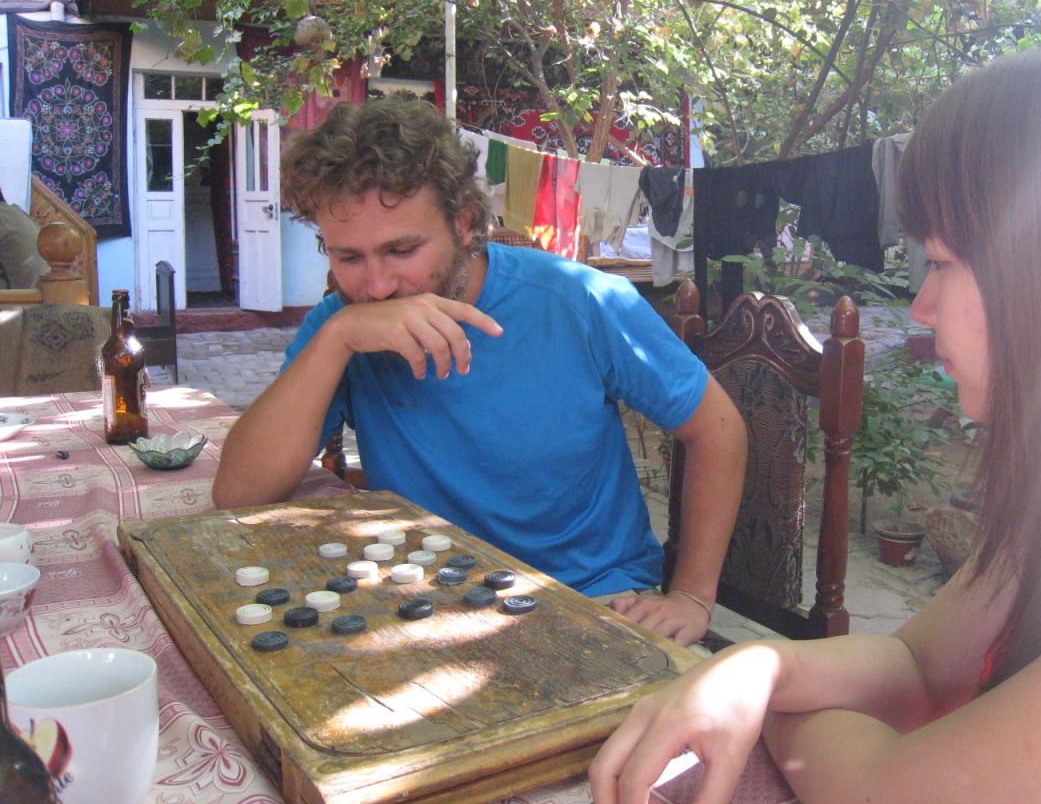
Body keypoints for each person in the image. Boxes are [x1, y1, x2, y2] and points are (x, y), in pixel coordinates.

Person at [589, 31, 1041, 803]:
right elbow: (920, 666)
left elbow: (886, 790)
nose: (921, 306)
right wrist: (760, 668)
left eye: (944, 263)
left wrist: (777, 707)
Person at [212, 99, 746, 646]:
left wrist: (691, 596)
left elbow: (718, 429)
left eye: (402, 250)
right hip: (426, 600)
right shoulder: (346, 325)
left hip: (594, 597)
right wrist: (337, 338)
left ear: (465, 223)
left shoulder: (580, 301)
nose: (377, 286)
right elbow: (238, 494)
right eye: (349, 258)